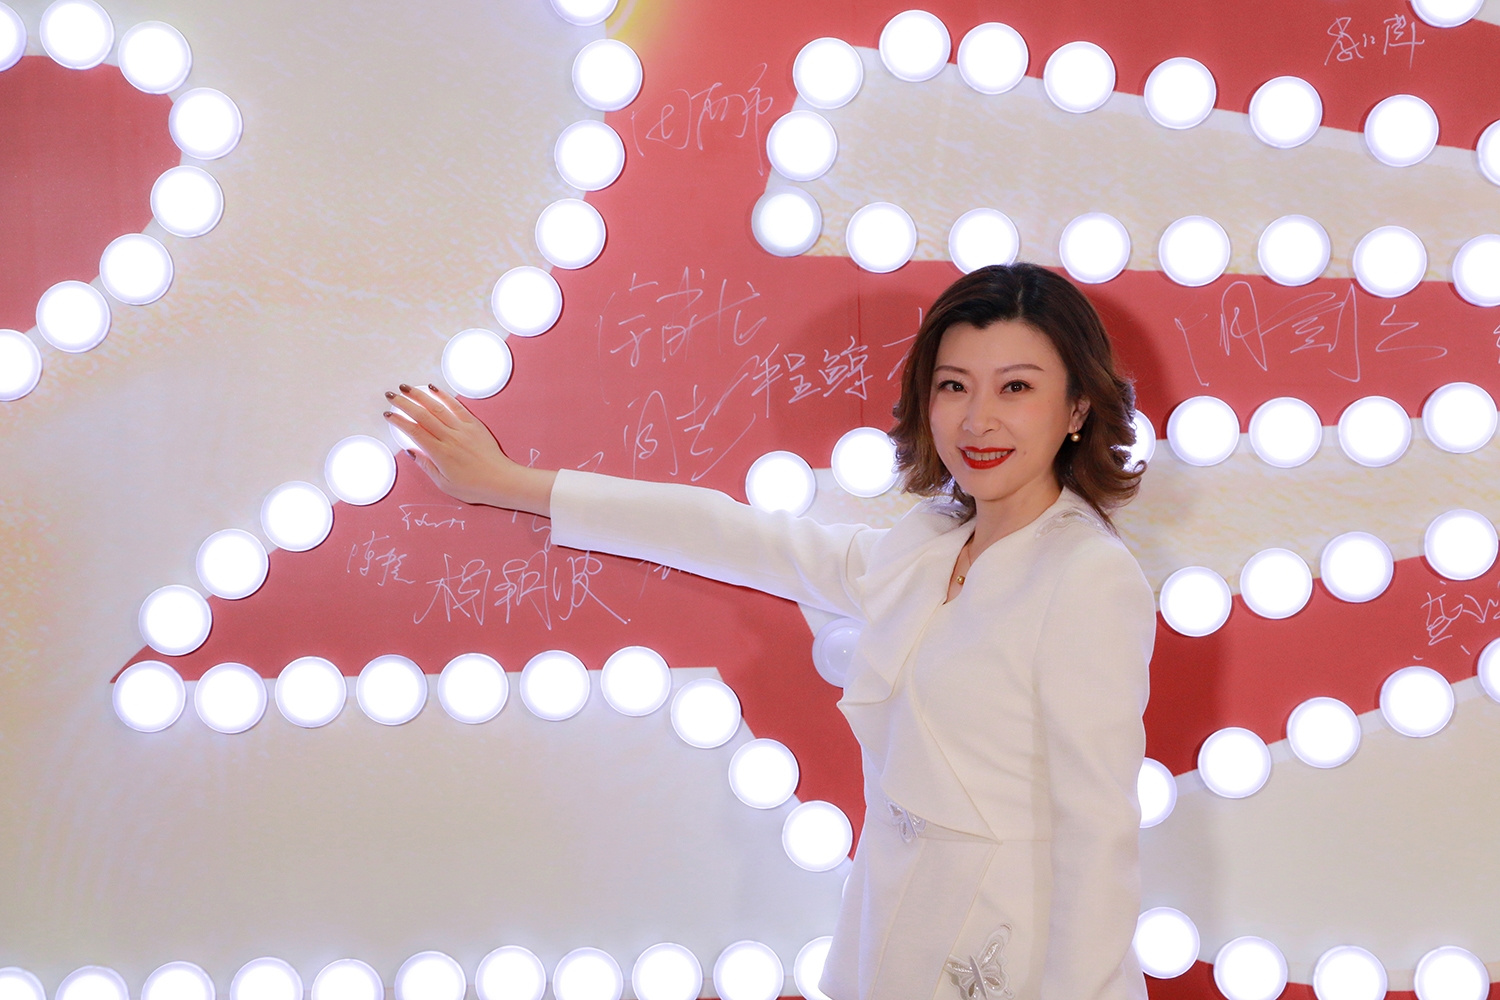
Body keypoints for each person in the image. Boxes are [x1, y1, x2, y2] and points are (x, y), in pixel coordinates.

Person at [384, 263, 1155, 1000]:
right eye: (954, 386)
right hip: (895, 937)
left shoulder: (1087, 575)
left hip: (1013, 962)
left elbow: (1099, 834)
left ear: (1077, 408)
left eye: (1016, 387)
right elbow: (737, 536)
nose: (978, 419)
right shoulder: (925, 547)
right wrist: (507, 483)